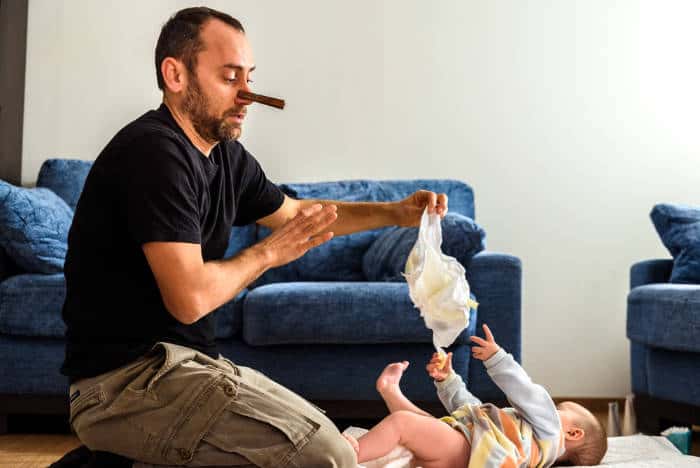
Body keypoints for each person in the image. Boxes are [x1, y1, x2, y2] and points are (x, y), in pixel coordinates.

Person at [59, 6, 449, 468]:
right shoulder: (154, 155)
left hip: (190, 367)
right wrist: (267, 254)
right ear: (175, 74)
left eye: (250, 75)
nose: (247, 94)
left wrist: (397, 212)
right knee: (327, 460)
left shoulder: (227, 158)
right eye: (229, 77)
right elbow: (190, 298)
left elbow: (298, 215)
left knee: (341, 451)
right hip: (123, 387)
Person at [343, 324, 608, 467]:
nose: (549, 409)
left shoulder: (550, 431)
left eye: (558, 410)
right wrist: (448, 381)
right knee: (427, 425)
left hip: (468, 453)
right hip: (466, 453)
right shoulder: (521, 438)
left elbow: (527, 392)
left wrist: (498, 360)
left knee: (403, 424)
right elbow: (471, 408)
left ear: (573, 433)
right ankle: (391, 391)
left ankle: (342, 458)